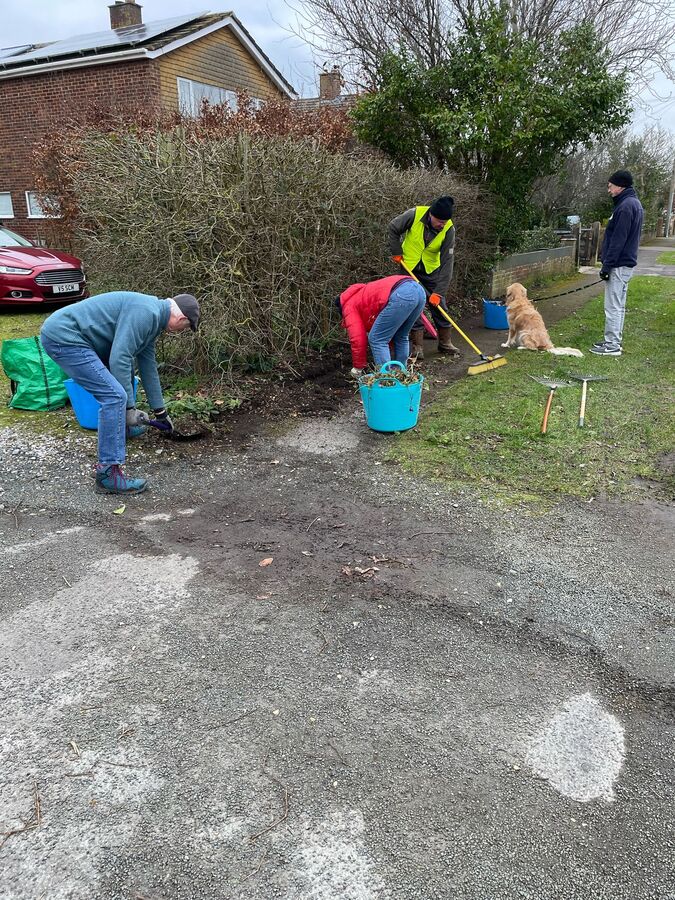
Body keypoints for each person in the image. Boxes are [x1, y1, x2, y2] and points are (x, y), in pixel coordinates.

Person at [40, 291, 200, 495]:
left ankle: (119, 432)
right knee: (115, 396)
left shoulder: (152, 319)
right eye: (185, 328)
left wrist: (161, 412)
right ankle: (107, 474)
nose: (180, 332)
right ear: (181, 318)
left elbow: (148, 366)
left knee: (116, 393)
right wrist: (130, 409)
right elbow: (120, 358)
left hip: (74, 337)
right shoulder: (146, 313)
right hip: (65, 337)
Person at [388, 195, 460, 359]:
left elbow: (448, 262)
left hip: (431, 270)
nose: (442, 225)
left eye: (445, 221)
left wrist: (439, 292)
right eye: (439, 221)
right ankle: (417, 346)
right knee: (413, 304)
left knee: (439, 305)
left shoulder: (449, 229)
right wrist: (396, 252)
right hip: (409, 267)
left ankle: (445, 343)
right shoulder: (414, 215)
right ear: (431, 215)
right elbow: (393, 228)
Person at [590, 169, 644, 356]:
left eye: (611, 186)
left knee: (612, 305)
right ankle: (613, 341)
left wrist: (606, 265)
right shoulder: (632, 203)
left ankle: (612, 345)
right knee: (618, 305)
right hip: (624, 264)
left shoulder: (625, 207)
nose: (609, 190)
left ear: (620, 186)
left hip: (619, 264)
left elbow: (618, 240)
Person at [338, 274, 426, 375]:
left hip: (402, 295)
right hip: (419, 291)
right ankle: (400, 374)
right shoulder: (363, 294)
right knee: (401, 335)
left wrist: (358, 367)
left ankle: (386, 379)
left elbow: (358, 339)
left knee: (377, 338)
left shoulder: (348, 307)